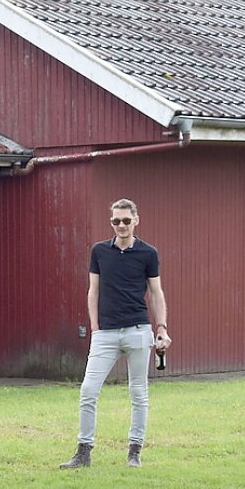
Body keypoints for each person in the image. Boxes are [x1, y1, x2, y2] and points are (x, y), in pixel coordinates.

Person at [60, 199, 171, 469]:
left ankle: (134, 452)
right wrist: (95, 327)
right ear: (111, 223)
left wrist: (161, 328)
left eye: (126, 220)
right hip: (105, 333)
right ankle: (83, 452)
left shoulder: (148, 253)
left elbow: (156, 292)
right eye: (116, 221)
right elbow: (93, 291)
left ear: (136, 221)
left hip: (137, 330)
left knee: (138, 393)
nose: (121, 225)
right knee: (88, 390)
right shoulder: (99, 251)